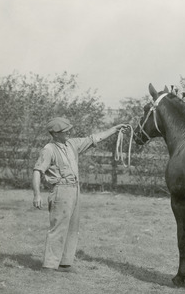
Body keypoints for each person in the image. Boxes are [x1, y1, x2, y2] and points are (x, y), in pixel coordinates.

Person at [32, 116, 129, 273]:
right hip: (60, 190)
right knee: (58, 227)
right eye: (65, 131)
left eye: (69, 130)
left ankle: (65, 263)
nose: (69, 132)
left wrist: (114, 129)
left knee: (72, 227)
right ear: (55, 133)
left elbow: (94, 138)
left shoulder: (72, 144)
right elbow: (37, 171)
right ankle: (49, 266)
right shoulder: (48, 149)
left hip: (75, 190)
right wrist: (37, 195)